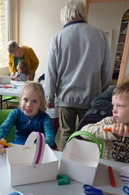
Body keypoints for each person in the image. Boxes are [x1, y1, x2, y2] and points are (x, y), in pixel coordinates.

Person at [45, 0, 112, 151]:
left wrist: (49, 97)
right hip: (91, 97)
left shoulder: (58, 37)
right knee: (89, 134)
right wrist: (102, 92)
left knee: (66, 133)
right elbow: (107, 69)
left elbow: (51, 71)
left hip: (66, 98)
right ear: (83, 12)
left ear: (64, 15)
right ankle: (84, 166)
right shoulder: (99, 35)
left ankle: (65, 165)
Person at [77, 65, 129, 130]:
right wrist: (120, 108)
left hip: (117, 121)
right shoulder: (117, 90)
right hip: (97, 117)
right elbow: (96, 102)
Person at [0, 82, 55, 154]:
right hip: (16, 148)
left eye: (34, 101)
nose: (28, 105)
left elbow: (50, 139)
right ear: (20, 100)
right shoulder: (16, 113)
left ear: (40, 104)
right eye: (25, 100)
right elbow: (3, 129)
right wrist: (1, 141)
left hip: (35, 152)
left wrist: (35, 146)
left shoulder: (45, 118)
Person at [38, 74, 59, 150]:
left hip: (53, 114)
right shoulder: (44, 84)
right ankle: (53, 147)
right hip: (49, 113)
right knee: (46, 133)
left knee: (50, 134)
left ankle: (54, 148)